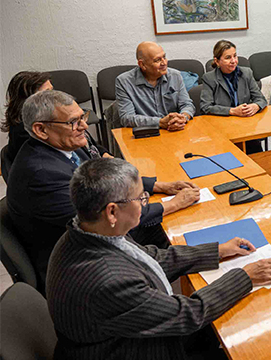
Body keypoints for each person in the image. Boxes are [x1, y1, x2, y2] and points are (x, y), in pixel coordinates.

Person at [46, 158, 271, 360]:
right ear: (112, 212)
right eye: (140, 199)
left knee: (228, 321)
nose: (144, 204)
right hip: (130, 355)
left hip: (122, 336)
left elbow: (151, 258)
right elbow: (187, 315)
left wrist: (217, 251)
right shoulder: (107, 280)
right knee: (247, 345)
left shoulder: (88, 231)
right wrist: (244, 277)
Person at [6, 90, 199, 294]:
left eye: (83, 117)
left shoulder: (63, 146)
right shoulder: (42, 175)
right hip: (84, 263)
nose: (84, 126)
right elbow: (108, 216)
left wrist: (159, 186)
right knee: (175, 230)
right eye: (73, 122)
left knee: (181, 228)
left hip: (99, 234)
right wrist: (174, 203)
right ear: (41, 130)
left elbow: (105, 182)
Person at [200, 39, 267, 154]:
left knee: (257, 156)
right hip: (222, 128)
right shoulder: (209, 78)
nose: (233, 61)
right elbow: (205, 107)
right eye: (228, 58)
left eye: (235, 56)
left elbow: (261, 99)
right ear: (217, 61)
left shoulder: (246, 73)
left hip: (246, 126)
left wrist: (255, 106)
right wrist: (232, 111)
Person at [116, 41, 195, 130]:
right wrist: (160, 122)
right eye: (157, 60)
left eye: (164, 57)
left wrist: (183, 117)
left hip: (173, 130)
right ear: (142, 65)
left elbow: (187, 104)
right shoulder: (124, 81)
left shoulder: (175, 76)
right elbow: (127, 118)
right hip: (145, 132)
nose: (164, 63)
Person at [2, 71, 54, 163]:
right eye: (46, 93)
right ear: (28, 99)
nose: (54, 96)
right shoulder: (25, 131)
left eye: (52, 91)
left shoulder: (38, 116)